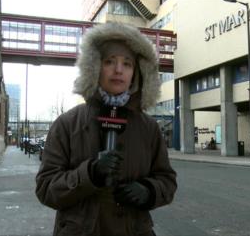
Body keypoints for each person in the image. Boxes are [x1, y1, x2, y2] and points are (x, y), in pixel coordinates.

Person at [35, 22, 177, 236]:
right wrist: (90, 173)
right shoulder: (67, 124)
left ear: (135, 72)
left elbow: (167, 181)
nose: (118, 70)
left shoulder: (149, 128)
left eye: (127, 63)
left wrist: (148, 191)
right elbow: (46, 188)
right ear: (95, 67)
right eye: (110, 61)